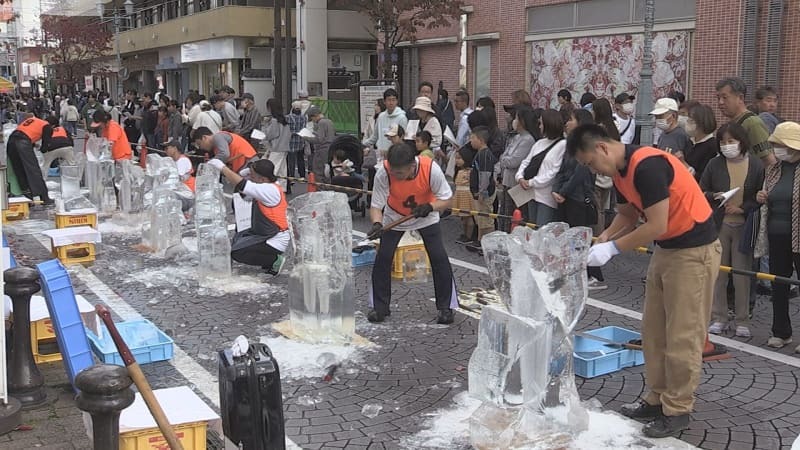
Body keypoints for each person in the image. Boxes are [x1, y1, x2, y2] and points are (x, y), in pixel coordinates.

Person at [569, 124, 721, 438]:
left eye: (589, 162)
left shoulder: (648, 166)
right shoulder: (619, 172)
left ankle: (677, 409)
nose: (591, 169)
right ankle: (657, 398)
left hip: (694, 251)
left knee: (683, 334)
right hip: (667, 250)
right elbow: (626, 215)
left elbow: (656, 224)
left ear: (602, 148)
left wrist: (611, 250)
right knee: (653, 330)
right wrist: (606, 236)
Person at [366, 143, 458, 324]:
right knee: (383, 258)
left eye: (399, 173)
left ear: (412, 166)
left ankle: (446, 308)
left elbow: (446, 199)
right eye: (393, 171)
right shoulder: (384, 172)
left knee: (439, 257)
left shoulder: (430, 169)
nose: (395, 176)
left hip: (426, 215)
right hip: (394, 216)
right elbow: (376, 205)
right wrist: (377, 223)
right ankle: (380, 307)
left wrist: (431, 207)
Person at [700, 123, 763, 338]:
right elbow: (702, 190)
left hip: (743, 226)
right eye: (723, 142)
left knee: (742, 274)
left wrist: (742, 208)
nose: (727, 146)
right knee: (718, 272)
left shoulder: (755, 165)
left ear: (742, 141)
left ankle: (742, 319)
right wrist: (715, 196)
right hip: (719, 224)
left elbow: (759, 195)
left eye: (731, 141)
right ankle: (719, 317)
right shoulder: (714, 164)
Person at [754, 122, 800, 351]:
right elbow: (766, 196)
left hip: (798, 235)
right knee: (779, 285)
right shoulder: (773, 169)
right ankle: (780, 332)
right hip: (776, 234)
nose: (777, 149)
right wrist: (761, 196)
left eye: (780, 145)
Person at [208, 158, 289, 276]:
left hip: (275, 237)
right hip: (264, 232)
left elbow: (243, 185)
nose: (251, 178)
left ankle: (274, 260)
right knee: (238, 238)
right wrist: (244, 176)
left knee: (238, 252)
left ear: (262, 179)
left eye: (253, 176)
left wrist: (223, 168)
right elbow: (245, 195)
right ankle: (268, 261)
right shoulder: (267, 186)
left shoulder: (270, 190)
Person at [516, 109, 566, 226]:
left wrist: (532, 182)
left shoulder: (563, 145)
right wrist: (520, 177)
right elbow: (526, 161)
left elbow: (553, 172)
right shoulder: (539, 143)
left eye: (541, 123)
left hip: (546, 196)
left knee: (543, 229)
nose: (539, 126)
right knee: (532, 227)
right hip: (530, 193)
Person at [716, 77, 776, 167]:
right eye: (718, 98)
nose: (720, 102)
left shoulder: (752, 123)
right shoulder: (732, 123)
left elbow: (768, 160)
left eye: (725, 97)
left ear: (740, 98)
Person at [495, 106, 537, 232]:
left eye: (516, 118)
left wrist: (504, 159)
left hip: (517, 184)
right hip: (507, 181)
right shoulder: (516, 137)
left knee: (515, 216)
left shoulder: (528, 140)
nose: (513, 121)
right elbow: (505, 156)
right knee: (504, 214)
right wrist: (504, 160)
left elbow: (513, 161)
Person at [6, 115, 53, 203]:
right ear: (53, 125)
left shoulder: (34, 120)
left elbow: (27, 133)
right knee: (33, 170)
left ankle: (26, 196)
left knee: (19, 169)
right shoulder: (47, 126)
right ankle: (44, 197)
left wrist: (33, 144)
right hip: (23, 141)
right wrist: (43, 147)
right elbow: (44, 148)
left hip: (12, 139)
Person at [467, 126, 497, 249]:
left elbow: (485, 175)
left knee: (486, 219)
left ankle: (489, 244)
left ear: (480, 140)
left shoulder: (484, 155)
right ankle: (480, 241)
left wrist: (482, 192)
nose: (471, 141)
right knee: (481, 218)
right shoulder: (481, 153)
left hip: (484, 192)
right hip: (480, 191)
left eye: (472, 138)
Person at [362, 88, 408, 164]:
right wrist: (362, 145)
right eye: (389, 100)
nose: (391, 103)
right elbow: (374, 137)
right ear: (384, 102)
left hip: (394, 156)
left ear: (397, 101)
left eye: (393, 100)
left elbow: (403, 139)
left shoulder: (402, 118)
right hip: (380, 156)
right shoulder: (381, 116)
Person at [192, 126, 258, 174]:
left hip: (249, 162)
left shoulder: (217, 137)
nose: (201, 147)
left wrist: (209, 164)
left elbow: (224, 154)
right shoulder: (216, 147)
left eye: (199, 144)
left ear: (204, 138)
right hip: (244, 165)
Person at [683, 104, 719, 180]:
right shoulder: (690, 141)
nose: (688, 123)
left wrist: (682, 162)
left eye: (691, 121)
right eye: (688, 120)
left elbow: (703, 176)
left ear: (702, 123)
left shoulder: (712, 146)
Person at [262, 98, 291, 192]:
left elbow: (270, 134)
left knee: (273, 167)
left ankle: (269, 187)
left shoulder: (274, 121)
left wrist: (265, 124)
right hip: (284, 146)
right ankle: (282, 188)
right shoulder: (284, 120)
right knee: (282, 169)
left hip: (276, 147)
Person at [302, 106, 336, 182]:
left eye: (312, 118)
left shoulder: (321, 122)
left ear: (315, 116)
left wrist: (306, 137)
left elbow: (319, 139)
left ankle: (321, 190)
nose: (313, 121)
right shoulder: (329, 121)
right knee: (327, 171)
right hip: (330, 148)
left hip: (322, 150)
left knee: (319, 171)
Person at [453, 146, 476, 244]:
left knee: (469, 217)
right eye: (456, 158)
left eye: (459, 158)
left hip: (466, 195)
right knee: (463, 217)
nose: (457, 160)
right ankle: (465, 234)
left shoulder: (469, 172)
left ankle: (469, 236)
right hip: (460, 194)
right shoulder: (459, 171)